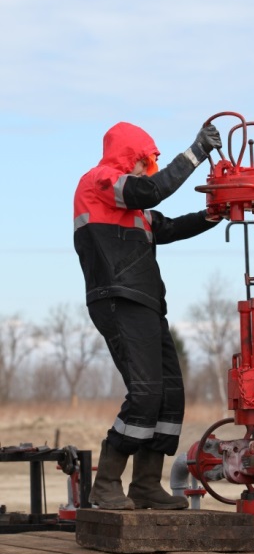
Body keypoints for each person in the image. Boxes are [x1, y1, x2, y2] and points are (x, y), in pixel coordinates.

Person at [74, 120, 222, 510]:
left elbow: (169, 226)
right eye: (145, 163)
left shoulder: (132, 211)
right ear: (130, 157)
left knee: (170, 396)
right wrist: (196, 152)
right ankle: (106, 485)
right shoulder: (101, 182)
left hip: (147, 304)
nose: (147, 172)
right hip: (117, 299)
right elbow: (152, 192)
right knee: (145, 395)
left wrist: (214, 213)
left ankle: (145, 485)